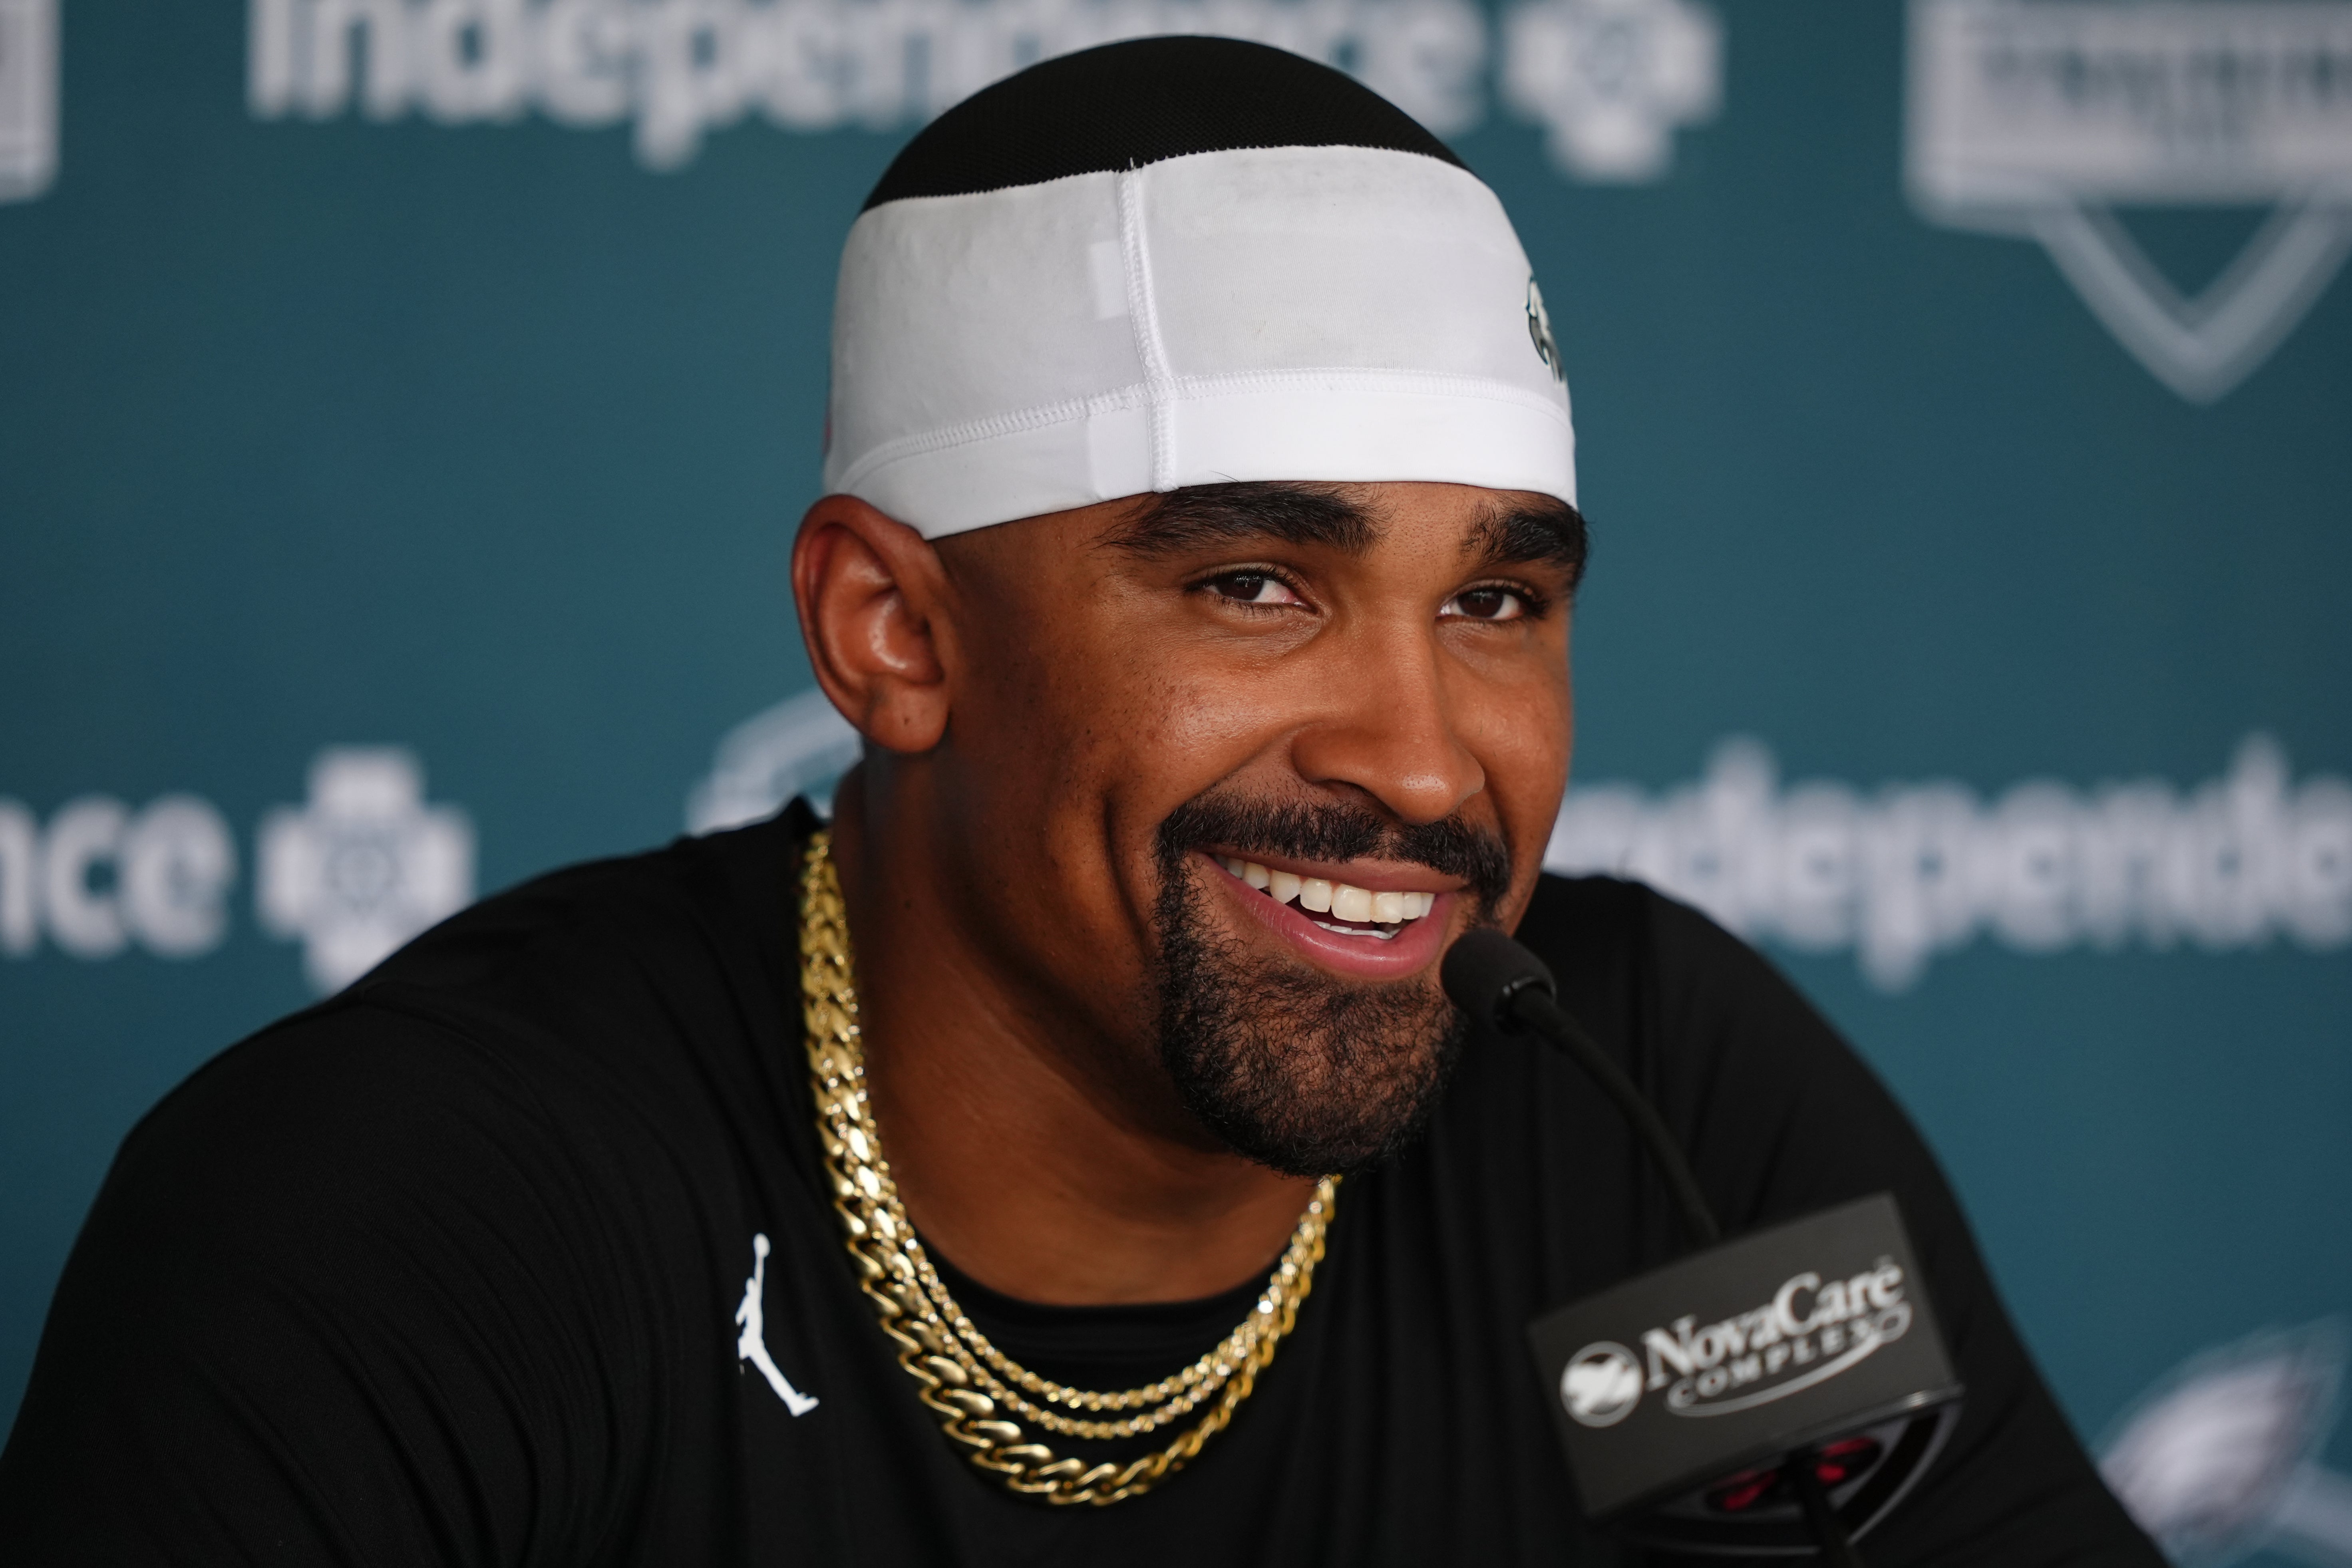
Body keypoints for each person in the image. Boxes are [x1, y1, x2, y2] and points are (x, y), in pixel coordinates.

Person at [0, 36, 2159, 1565]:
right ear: (893, 634)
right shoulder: (435, 1209)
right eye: (1256, 585)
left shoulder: (1645, 1119)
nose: (1425, 759)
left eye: (1497, 600)